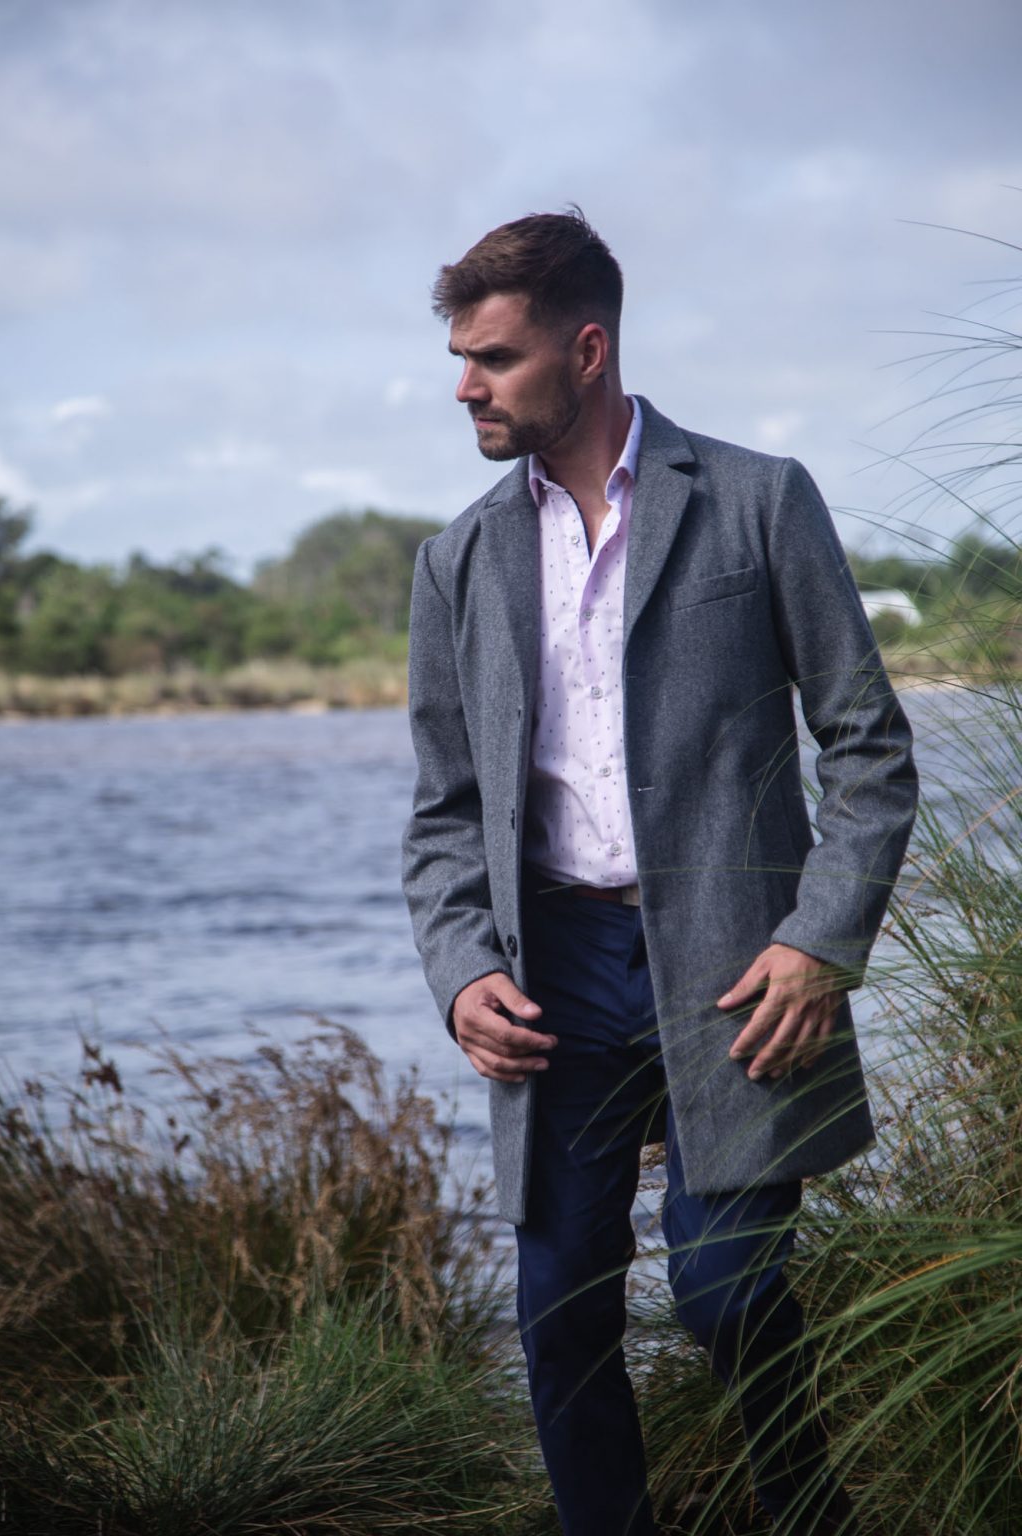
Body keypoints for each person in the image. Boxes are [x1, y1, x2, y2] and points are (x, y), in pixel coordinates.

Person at [401, 210, 917, 1535]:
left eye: (495, 358)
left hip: (739, 960)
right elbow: (445, 813)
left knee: (727, 1289)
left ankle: (808, 1512)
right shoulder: (456, 560)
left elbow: (868, 748)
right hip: (554, 975)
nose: (466, 386)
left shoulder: (758, 499)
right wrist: (461, 974)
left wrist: (821, 940)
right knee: (560, 1312)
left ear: (586, 350)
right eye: (461, 359)